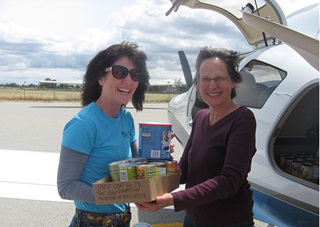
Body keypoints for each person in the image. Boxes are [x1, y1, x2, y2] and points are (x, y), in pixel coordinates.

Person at [135, 47, 257, 227]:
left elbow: (230, 180)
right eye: (205, 79)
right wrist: (160, 164)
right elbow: (185, 169)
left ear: (232, 81)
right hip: (193, 217)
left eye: (219, 78)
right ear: (198, 84)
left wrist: (173, 199)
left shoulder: (242, 119)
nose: (212, 85)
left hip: (228, 221)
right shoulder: (200, 117)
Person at [57, 41, 151, 227]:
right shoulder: (84, 124)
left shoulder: (126, 118)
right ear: (101, 77)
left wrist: (160, 153)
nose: (129, 80)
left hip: (123, 219)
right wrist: (118, 193)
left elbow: (138, 166)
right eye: (119, 72)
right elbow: (66, 187)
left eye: (135, 75)